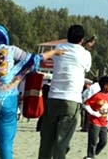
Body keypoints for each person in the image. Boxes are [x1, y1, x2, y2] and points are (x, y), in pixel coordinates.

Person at [0, 25, 63, 159]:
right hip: (7, 99)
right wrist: (53, 52)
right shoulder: (11, 50)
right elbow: (34, 59)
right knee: (5, 144)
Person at [38, 25, 94, 159]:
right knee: (61, 142)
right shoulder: (85, 54)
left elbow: (68, 52)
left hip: (53, 97)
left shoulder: (59, 48)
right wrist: (85, 47)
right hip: (71, 99)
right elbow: (86, 68)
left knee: (47, 139)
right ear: (82, 39)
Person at [83, 76, 108, 159]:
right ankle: (90, 156)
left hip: (104, 122)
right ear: (105, 86)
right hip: (95, 122)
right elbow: (85, 104)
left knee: (104, 141)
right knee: (92, 141)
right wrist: (93, 113)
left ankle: (94, 153)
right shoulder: (97, 95)